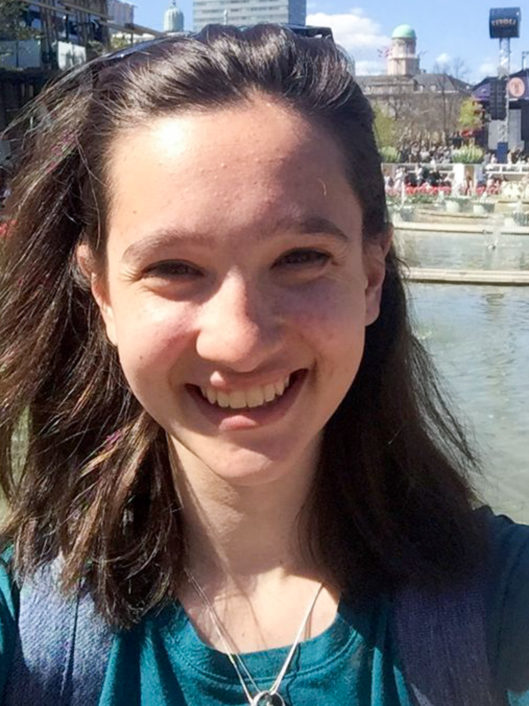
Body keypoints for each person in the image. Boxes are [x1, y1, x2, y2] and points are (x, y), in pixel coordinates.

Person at [0, 24, 528, 706]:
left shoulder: (502, 604)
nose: (241, 341)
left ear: (371, 276)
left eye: (301, 257)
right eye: (174, 269)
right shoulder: (32, 630)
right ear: (102, 294)